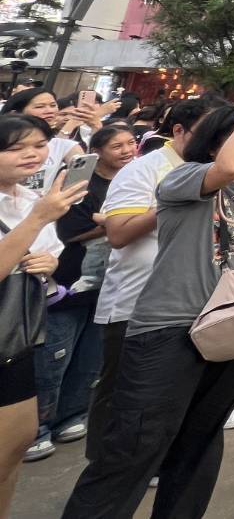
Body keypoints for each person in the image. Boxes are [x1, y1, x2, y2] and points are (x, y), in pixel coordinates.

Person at [62, 105, 234, 519]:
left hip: (233, 324)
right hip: (170, 326)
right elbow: (224, 168)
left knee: (201, 443)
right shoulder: (183, 176)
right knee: (135, 445)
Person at [86, 97, 210, 459]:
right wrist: (172, 202)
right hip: (134, 301)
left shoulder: (212, 171)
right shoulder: (143, 170)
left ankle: (151, 458)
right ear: (178, 131)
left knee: (167, 393)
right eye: (209, 131)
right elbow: (119, 234)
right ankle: (104, 464)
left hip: (188, 302)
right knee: (121, 391)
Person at [32, 123, 139, 460]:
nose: (126, 150)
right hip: (68, 283)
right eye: (116, 146)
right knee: (53, 358)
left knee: (91, 358)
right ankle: (37, 427)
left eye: (130, 143)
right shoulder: (79, 183)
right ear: (98, 151)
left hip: (111, 284)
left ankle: (72, 414)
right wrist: (112, 223)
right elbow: (68, 230)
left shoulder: (133, 180)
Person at [0, 116, 88, 515]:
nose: (32, 153)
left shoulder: (26, 199)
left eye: (38, 144)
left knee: (14, 451)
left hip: (17, 336)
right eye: (16, 147)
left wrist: (46, 264)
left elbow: (51, 260)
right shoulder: (35, 208)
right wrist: (39, 218)